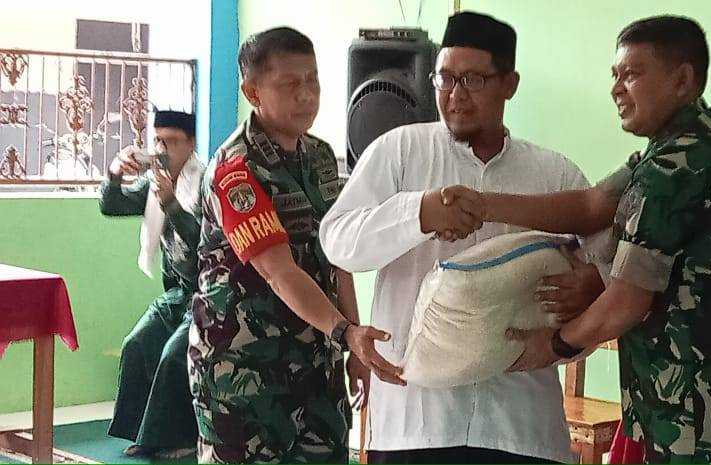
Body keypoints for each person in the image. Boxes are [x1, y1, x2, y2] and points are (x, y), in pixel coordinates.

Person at [447, 15, 711, 463]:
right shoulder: (689, 139)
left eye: (632, 74)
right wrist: (486, 205)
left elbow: (626, 301)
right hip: (710, 405)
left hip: (704, 414)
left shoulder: (676, 167)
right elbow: (591, 205)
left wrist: (553, 344)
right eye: (615, 75)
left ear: (682, 80)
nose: (616, 89)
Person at [318, 11, 605, 464]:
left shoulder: (554, 174)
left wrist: (592, 285)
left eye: (472, 80)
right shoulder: (400, 151)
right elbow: (338, 240)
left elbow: (606, 275)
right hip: (416, 423)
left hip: (520, 425)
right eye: (445, 78)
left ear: (509, 84)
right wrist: (418, 213)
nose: (455, 95)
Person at [188, 27, 375, 463]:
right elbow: (279, 272)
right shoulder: (235, 169)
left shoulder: (321, 157)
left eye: (313, 80)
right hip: (243, 371)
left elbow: (338, 256)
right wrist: (346, 332)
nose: (307, 95)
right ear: (253, 92)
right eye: (290, 84)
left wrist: (354, 345)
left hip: (314, 364)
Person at [100, 110, 203, 459]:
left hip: (209, 293)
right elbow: (111, 205)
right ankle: (144, 434)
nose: (162, 149)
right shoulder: (154, 182)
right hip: (177, 293)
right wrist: (115, 173)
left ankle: (182, 438)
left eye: (171, 141)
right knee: (137, 344)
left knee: (174, 356)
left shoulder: (206, 183)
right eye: (158, 140)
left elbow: (202, 241)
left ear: (191, 143)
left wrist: (172, 203)